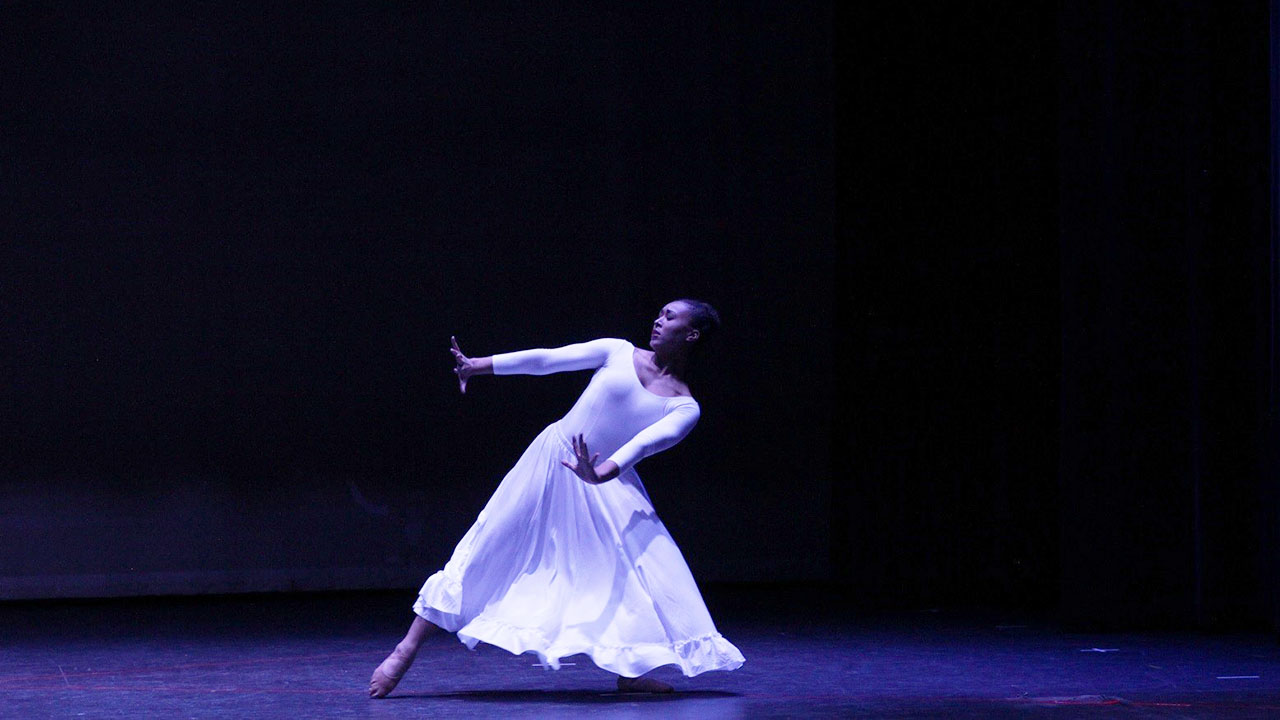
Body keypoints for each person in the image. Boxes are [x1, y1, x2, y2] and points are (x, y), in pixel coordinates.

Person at [369, 299, 744, 698]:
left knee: (636, 573)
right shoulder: (618, 351)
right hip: (552, 460)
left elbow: (646, 443)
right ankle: (404, 650)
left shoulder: (684, 405)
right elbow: (548, 360)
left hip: (606, 483)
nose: (657, 319)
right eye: (660, 312)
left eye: (670, 316)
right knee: (487, 544)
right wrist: (479, 364)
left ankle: (631, 669)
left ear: (691, 334)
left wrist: (601, 473)